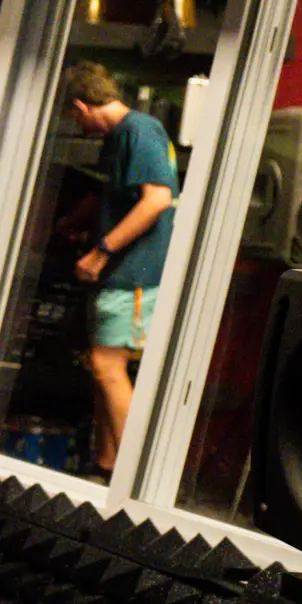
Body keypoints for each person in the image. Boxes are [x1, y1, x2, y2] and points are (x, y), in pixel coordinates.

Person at [65, 61, 179, 477]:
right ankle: (107, 465)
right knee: (101, 365)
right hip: (122, 271)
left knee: (107, 364)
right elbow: (113, 194)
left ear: (81, 106)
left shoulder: (139, 131)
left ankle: (132, 477)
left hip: (135, 271)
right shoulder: (121, 136)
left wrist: (100, 251)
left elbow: (156, 200)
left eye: (73, 117)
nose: (76, 125)